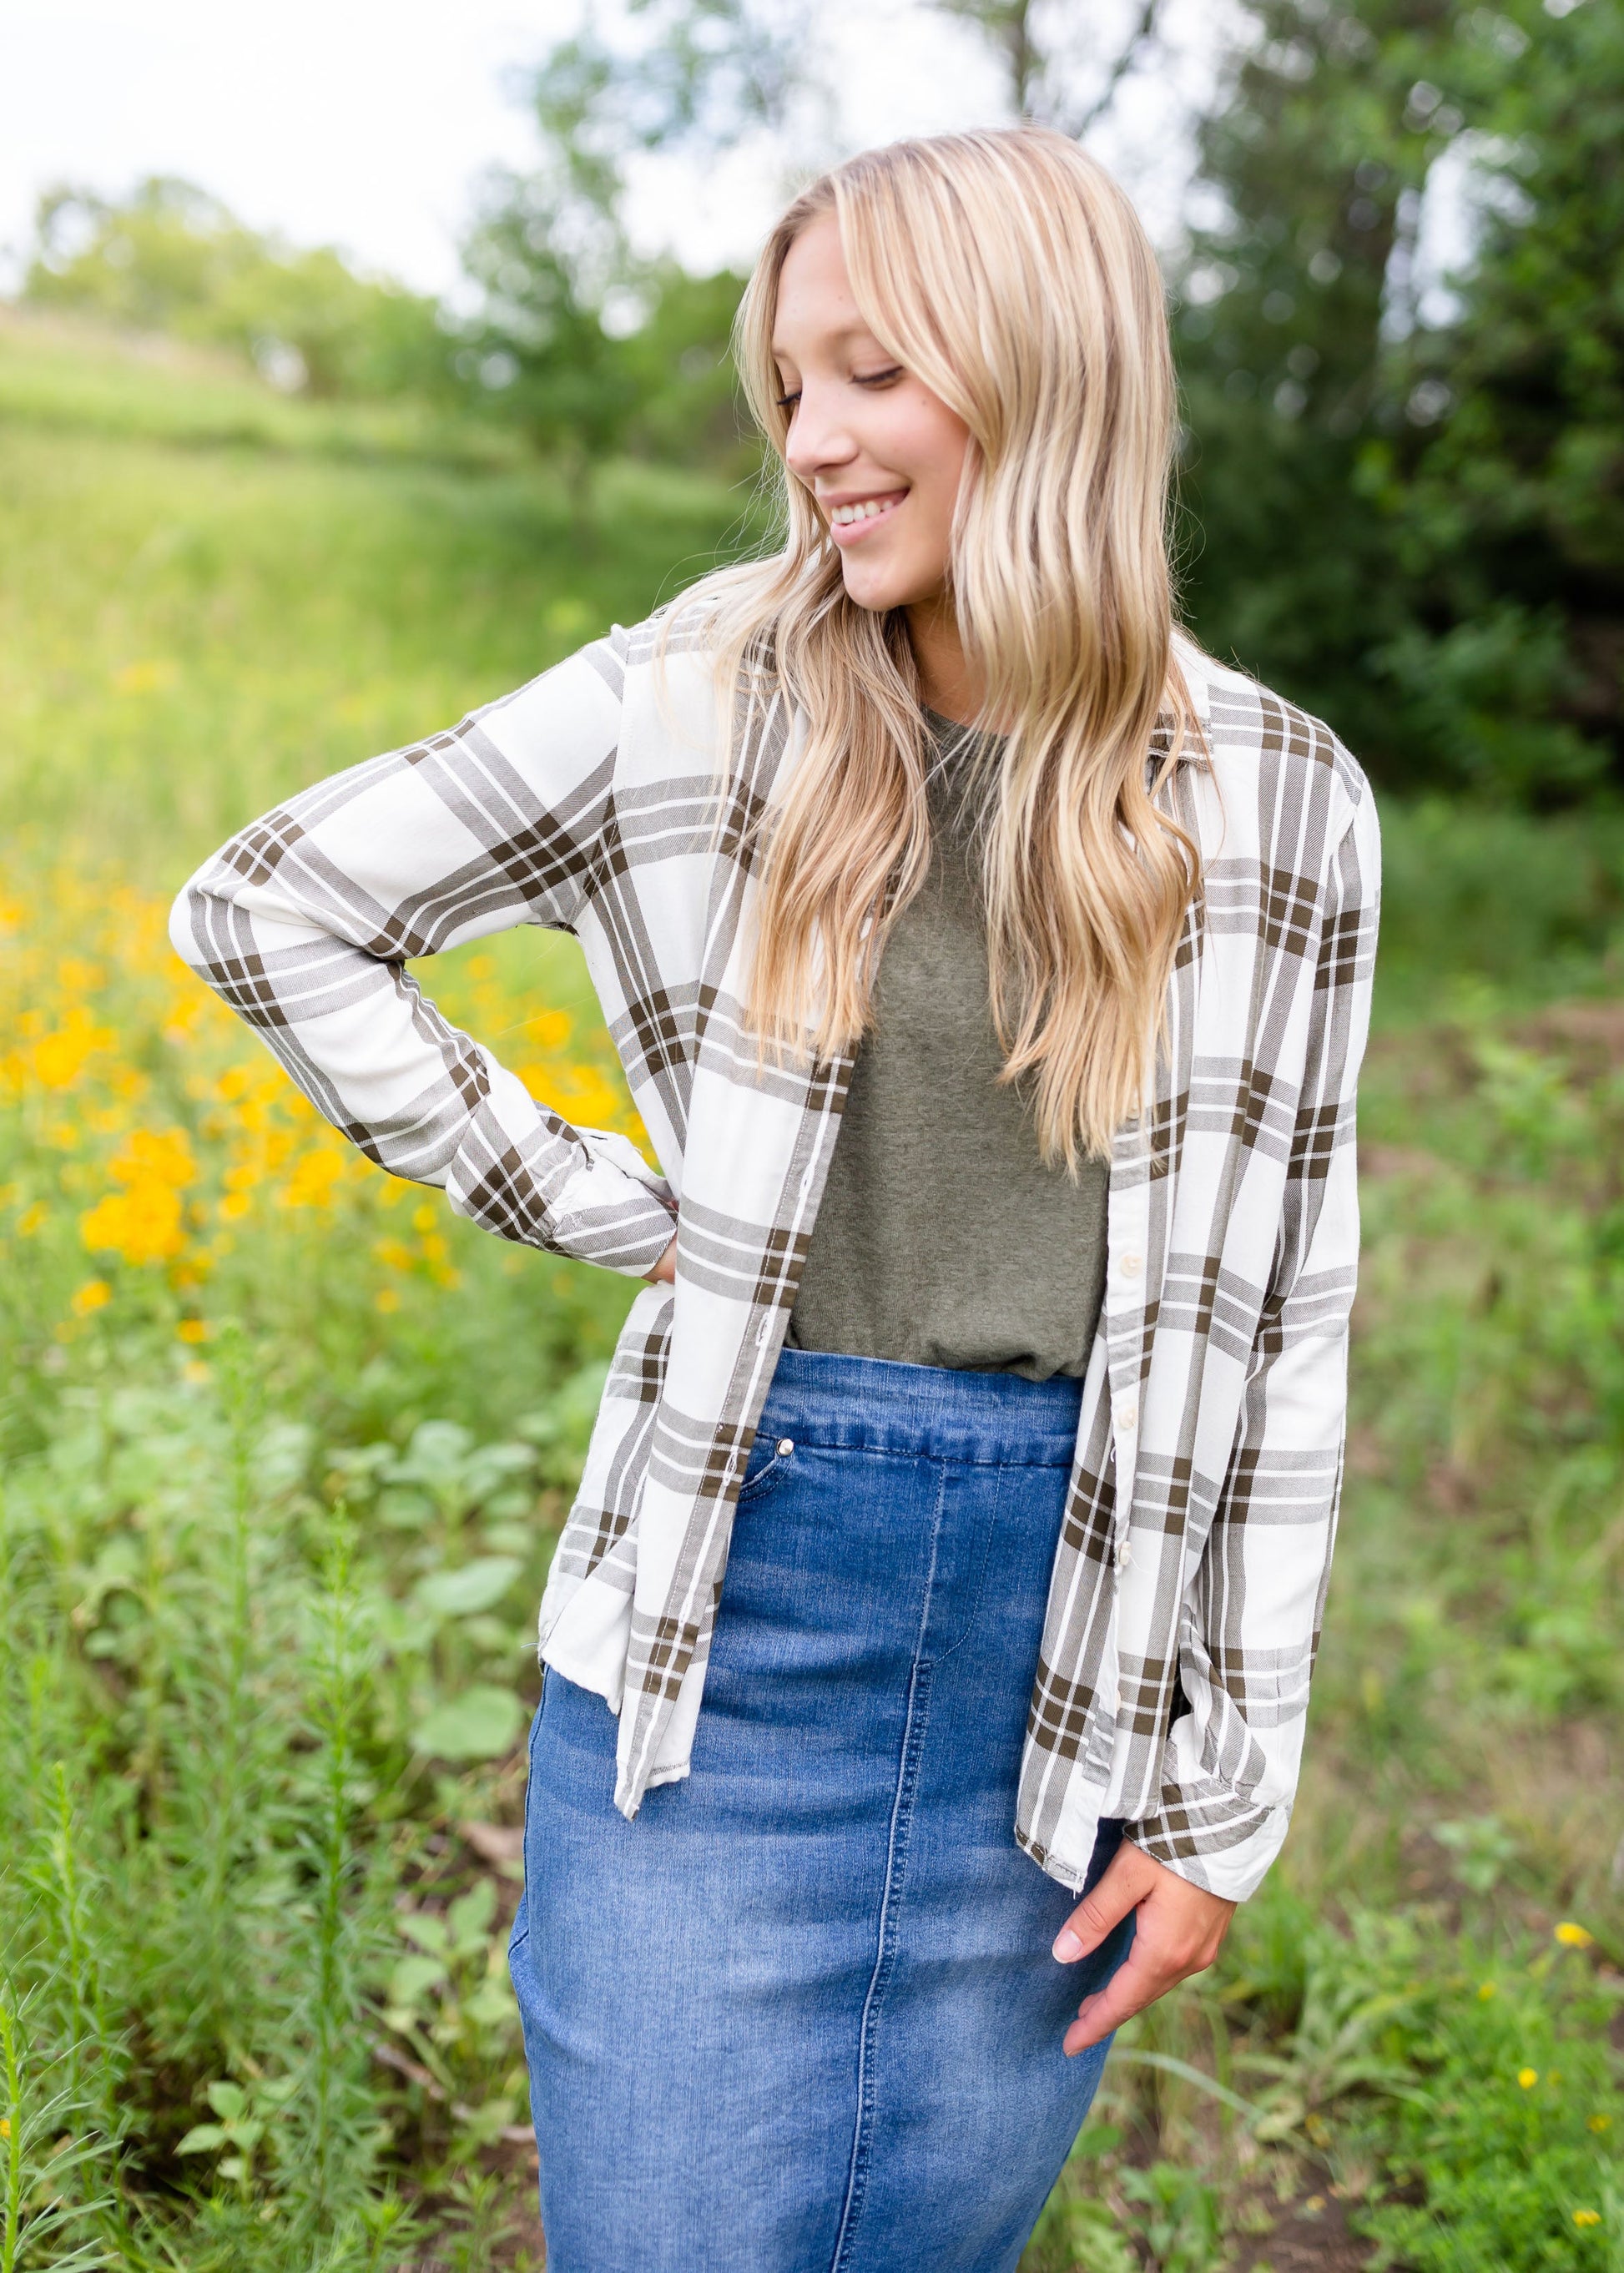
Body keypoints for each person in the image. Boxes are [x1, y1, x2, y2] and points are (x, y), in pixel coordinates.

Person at [171, 125, 1379, 2273]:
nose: (811, 440)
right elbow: (275, 906)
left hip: (1068, 1670)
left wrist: (1222, 1798)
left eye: (869, 374)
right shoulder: (696, 696)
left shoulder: (1283, 802)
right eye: (789, 388)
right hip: (719, 1649)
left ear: (1040, 366)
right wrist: (593, 1198)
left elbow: (1291, 1324)